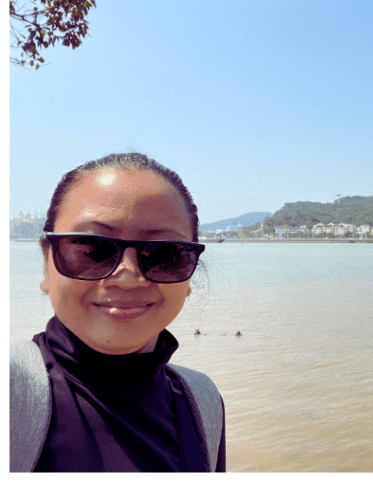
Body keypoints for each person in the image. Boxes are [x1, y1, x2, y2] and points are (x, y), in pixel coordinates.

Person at [10, 153, 223, 471]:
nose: (126, 278)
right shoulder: (11, 391)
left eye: (164, 253)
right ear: (46, 262)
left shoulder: (202, 403)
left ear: (190, 273)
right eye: (92, 249)